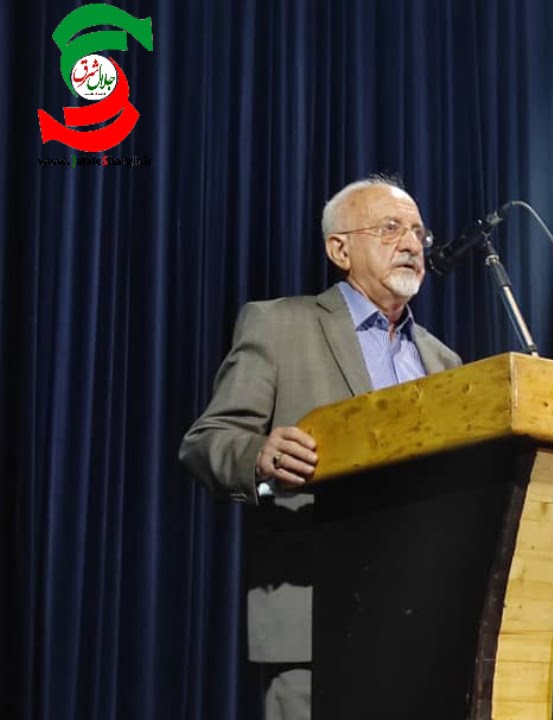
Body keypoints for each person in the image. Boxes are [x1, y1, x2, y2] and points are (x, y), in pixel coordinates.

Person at [179, 174, 462, 720]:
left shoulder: (442, 361)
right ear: (340, 249)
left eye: (418, 233)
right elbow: (206, 440)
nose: (411, 244)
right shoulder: (280, 325)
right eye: (390, 229)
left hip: (423, 625)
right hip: (315, 618)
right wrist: (259, 457)